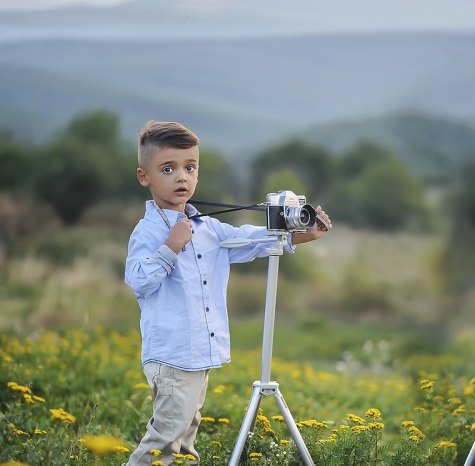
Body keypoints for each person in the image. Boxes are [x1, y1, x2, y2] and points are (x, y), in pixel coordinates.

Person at [123, 121, 331, 465]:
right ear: (144, 177)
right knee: (164, 439)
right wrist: (170, 247)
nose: (181, 178)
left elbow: (250, 239)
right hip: (173, 355)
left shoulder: (208, 227)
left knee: (185, 438)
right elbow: (139, 281)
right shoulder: (148, 231)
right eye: (168, 169)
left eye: (190, 168)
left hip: (197, 355)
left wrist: (300, 234)